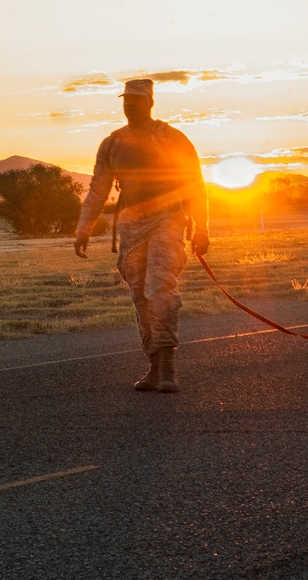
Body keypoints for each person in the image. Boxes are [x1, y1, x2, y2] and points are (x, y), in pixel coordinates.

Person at [74, 78, 210, 393]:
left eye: (136, 101)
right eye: (126, 101)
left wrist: (202, 227)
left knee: (159, 287)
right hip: (130, 226)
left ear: (149, 103)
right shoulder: (113, 144)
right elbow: (98, 188)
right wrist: (84, 227)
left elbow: (194, 184)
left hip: (168, 219)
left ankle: (168, 367)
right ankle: (154, 365)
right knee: (140, 296)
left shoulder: (173, 139)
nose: (130, 106)